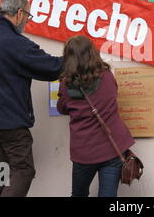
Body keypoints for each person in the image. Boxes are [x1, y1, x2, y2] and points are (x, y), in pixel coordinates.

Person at [0, 0, 63, 197]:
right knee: (24, 169)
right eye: (28, 16)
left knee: (7, 159)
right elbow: (52, 68)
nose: (27, 21)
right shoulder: (16, 43)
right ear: (19, 13)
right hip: (7, 121)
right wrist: (74, 58)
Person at [57, 35, 135, 197]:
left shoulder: (66, 84)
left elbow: (62, 108)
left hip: (84, 153)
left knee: (79, 194)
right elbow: (113, 95)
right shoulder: (107, 76)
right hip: (112, 148)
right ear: (93, 53)